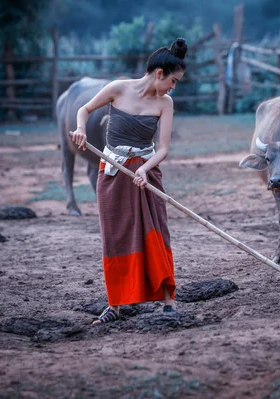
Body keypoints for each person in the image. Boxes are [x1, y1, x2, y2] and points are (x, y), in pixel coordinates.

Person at [70, 38, 187, 324]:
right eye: (173, 81)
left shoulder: (165, 103)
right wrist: (80, 130)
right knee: (116, 237)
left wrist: (145, 169)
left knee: (156, 232)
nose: (173, 87)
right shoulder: (117, 88)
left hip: (145, 175)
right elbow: (83, 111)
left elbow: (163, 149)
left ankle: (168, 300)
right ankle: (116, 304)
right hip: (112, 172)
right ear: (159, 74)